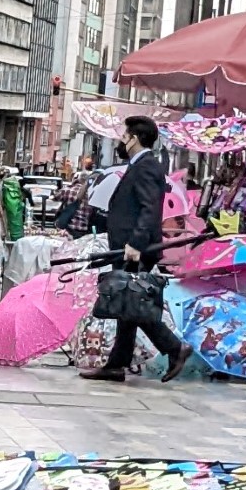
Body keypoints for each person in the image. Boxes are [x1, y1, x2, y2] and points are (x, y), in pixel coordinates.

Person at [81, 116, 187, 384]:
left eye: (124, 136)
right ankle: (117, 364)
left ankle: (174, 347)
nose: (121, 140)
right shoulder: (139, 165)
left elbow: (149, 208)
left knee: (133, 302)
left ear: (134, 138)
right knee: (127, 305)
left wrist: (136, 244)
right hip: (130, 246)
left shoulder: (147, 166)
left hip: (135, 249)